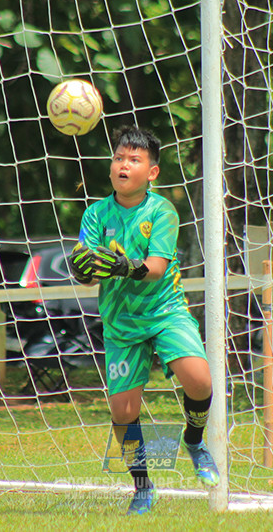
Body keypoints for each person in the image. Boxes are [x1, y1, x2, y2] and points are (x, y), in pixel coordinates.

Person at [68, 126, 219, 515]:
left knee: (200, 381)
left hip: (164, 311)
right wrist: (83, 269)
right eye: (119, 158)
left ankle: (195, 441)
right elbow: (85, 269)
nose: (124, 164)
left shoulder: (162, 211)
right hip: (121, 322)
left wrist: (123, 265)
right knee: (123, 412)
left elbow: (154, 267)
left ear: (152, 172)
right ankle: (142, 486)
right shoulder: (96, 214)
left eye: (134, 159)